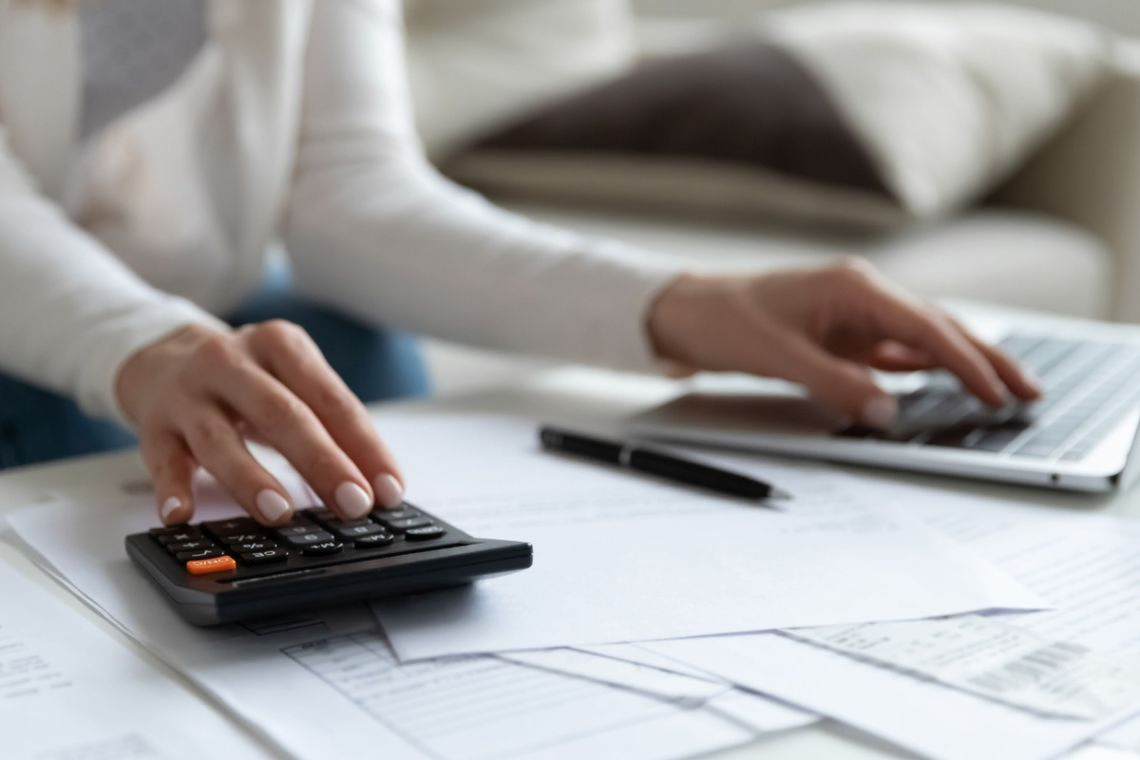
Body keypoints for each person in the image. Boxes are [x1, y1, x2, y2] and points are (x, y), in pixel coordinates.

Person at [0, 0, 1039, 528]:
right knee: (90, 430)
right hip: (42, 335)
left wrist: (690, 302)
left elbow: (349, 193)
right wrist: (143, 345)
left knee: (358, 367)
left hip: (203, 304)